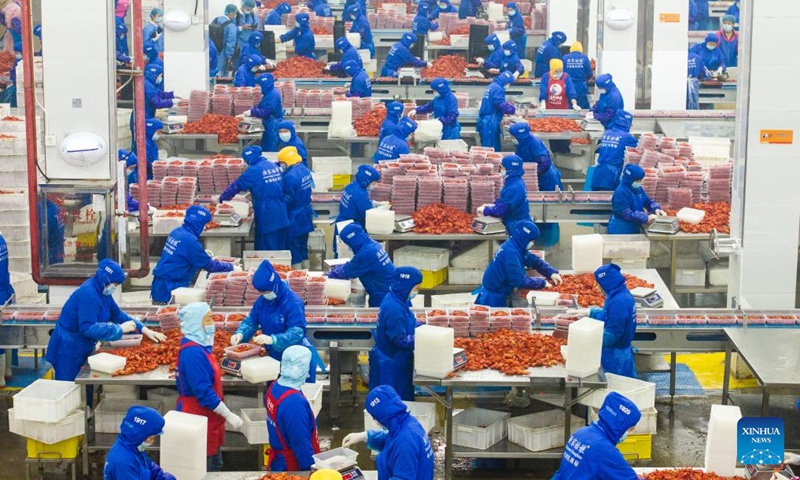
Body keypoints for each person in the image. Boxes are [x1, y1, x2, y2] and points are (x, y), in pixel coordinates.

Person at [46, 260, 166, 381]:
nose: (114, 288)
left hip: (84, 345)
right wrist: (118, 329)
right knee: (71, 387)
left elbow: (117, 314)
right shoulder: (89, 294)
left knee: (85, 384)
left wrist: (144, 329)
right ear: (105, 278)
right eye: (114, 284)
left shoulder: (103, 293)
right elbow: (87, 328)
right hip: (68, 348)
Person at [176, 303, 244, 472]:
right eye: (208, 319)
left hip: (209, 416)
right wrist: (228, 414)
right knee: (203, 468)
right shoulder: (193, 354)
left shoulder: (200, 346)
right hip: (197, 415)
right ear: (195, 323)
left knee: (215, 463)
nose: (212, 323)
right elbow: (204, 392)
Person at [230, 261, 318, 381]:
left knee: (294, 396)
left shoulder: (293, 302)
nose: (265, 294)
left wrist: (274, 339)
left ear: (275, 285)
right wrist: (240, 333)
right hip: (273, 358)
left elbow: (297, 331)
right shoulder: (262, 302)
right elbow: (251, 321)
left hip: (296, 358)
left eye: (266, 291)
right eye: (262, 292)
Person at [342, 386, 434, 480]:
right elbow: (390, 439)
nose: (374, 420)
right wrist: (364, 436)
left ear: (382, 416)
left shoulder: (405, 442)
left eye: (375, 416)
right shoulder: (407, 422)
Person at [150, 206, 236, 304]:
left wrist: (201, 254)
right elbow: (210, 266)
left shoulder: (177, 231)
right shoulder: (190, 241)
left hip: (160, 283)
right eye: (204, 224)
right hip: (171, 288)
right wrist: (232, 267)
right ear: (199, 224)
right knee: (170, 315)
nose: (204, 227)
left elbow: (180, 255)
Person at [551, 392, 641, 479]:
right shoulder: (605, 450)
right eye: (630, 429)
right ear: (621, 426)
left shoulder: (581, 433)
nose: (628, 433)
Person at [570, 263, 639, 378]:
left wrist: (584, 339)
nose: (599, 288)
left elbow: (611, 336)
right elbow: (610, 317)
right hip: (617, 353)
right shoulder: (619, 294)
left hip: (615, 359)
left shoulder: (619, 302)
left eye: (599, 285)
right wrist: (591, 312)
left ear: (606, 284)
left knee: (613, 389)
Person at [475, 220, 561, 307]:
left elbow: (534, 261)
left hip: (500, 291)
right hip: (493, 298)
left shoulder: (516, 245)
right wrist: (542, 283)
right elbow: (519, 280)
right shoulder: (511, 253)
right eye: (531, 240)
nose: (532, 243)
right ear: (524, 238)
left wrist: (551, 273)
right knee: (496, 318)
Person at [220, 145, 289, 250]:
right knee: (280, 248)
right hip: (281, 211)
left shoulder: (253, 171)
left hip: (267, 213)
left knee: (266, 249)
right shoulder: (273, 166)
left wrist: (221, 199)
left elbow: (236, 186)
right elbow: (274, 186)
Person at [369, 267, 422, 400]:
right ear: (406, 286)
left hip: (396, 360)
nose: (417, 291)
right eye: (415, 288)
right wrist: (425, 340)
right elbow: (400, 340)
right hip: (392, 366)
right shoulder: (394, 308)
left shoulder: (398, 299)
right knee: (394, 403)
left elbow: (409, 322)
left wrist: (424, 327)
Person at [266, 346, 320, 471]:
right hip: (291, 466)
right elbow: (300, 442)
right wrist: (310, 470)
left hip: (278, 462)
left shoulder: (275, 386)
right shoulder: (294, 403)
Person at [328, 223, 395, 307]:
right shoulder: (372, 244)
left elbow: (347, 272)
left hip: (384, 297)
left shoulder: (366, 253)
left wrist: (328, 275)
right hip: (391, 291)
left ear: (352, 241)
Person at [104, 406, 175, 480]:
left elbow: (149, 466)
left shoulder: (134, 447)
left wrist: (163, 477)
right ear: (140, 436)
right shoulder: (123, 462)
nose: (152, 441)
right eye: (151, 438)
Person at [278, 147, 314, 268]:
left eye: (281, 162)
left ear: (287, 161)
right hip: (306, 212)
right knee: (303, 245)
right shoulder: (304, 169)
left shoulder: (290, 176)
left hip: (295, 216)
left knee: (294, 246)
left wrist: (278, 207)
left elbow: (288, 198)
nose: (280, 165)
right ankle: (307, 273)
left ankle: (297, 276)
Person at [477, 155, 531, 233]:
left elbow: (502, 211)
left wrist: (486, 210)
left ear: (510, 169)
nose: (500, 170)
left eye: (503, 168)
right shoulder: (513, 181)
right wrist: (494, 205)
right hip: (515, 221)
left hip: (516, 225)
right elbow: (505, 200)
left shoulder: (514, 187)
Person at [608, 164, 666, 235]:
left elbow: (647, 201)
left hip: (634, 227)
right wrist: (646, 217)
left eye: (641, 180)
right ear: (629, 180)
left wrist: (656, 208)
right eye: (637, 181)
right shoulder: (621, 192)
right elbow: (627, 214)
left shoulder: (637, 189)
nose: (640, 182)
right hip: (621, 229)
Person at [539, 58, 580, 154]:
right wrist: (543, 102)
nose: (559, 73)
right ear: (552, 69)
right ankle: (556, 158)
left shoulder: (566, 77)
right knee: (553, 139)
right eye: (556, 71)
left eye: (560, 71)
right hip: (550, 113)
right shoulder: (546, 77)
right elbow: (543, 91)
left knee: (564, 141)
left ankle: (565, 160)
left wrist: (574, 104)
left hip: (564, 112)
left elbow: (571, 92)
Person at [508, 122, 562, 192]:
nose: (512, 138)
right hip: (536, 175)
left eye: (513, 136)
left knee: (546, 198)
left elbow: (545, 163)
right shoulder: (523, 142)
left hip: (546, 178)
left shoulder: (535, 143)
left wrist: (532, 173)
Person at [591, 110, 636, 191]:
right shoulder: (627, 137)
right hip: (612, 174)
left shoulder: (607, 133)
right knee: (608, 200)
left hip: (598, 172)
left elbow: (598, 150)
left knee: (596, 199)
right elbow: (637, 153)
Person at [242, 73, 284, 152]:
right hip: (269, 123)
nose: (258, 87)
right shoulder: (268, 93)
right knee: (266, 147)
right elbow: (261, 106)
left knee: (270, 149)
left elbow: (266, 111)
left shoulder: (273, 95)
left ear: (265, 85)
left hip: (273, 125)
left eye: (260, 85)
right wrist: (253, 110)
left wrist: (251, 112)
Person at [476, 71, 516, 152]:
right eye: (509, 84)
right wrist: (512, 110)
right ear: (506, 82)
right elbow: (500, 103)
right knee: (492, 149)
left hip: (485, 119)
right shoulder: (498, 89)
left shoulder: (492, 86)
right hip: (491, 121)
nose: (509, 86)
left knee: (486, 146)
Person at [336, 164, 382, 229]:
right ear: (367, 180)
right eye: (373, 182)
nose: (374, 185)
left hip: (342, 224)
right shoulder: (360, 194)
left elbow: (356, 205)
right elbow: (368, 216)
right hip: (352, 229)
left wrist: (374, 203)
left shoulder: (350, 186)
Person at [562, 42, 593, 109]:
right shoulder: (584, 58)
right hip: (581, 86)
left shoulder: (565, 57)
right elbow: (589, 74)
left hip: (567, 85)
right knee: (582, 107)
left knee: (569, 105)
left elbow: (561, 72)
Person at [0, 234, 13, 388]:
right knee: (7, 336)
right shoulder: (1, 238)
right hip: (6, 291)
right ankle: (7, 372)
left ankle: (0, 381)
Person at [213, 5, 240, 77]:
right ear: (231, 13)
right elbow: (230, 43)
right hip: (223, 54)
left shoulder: (216, 19)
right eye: (235, 14)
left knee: (213, 73)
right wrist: (229, 58)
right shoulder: (231, 26)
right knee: (223, 75)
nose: (235, 16)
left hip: (213, 51)